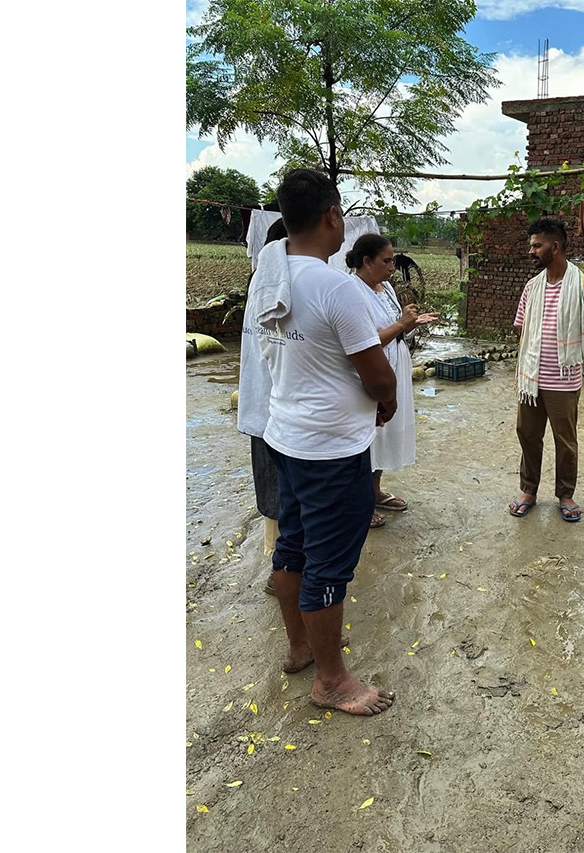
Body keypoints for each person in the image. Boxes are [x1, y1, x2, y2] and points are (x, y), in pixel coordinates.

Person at [253, 168, 399, 716]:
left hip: (285, 436)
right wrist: (384, 402)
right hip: (332, 450)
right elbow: (377, 373)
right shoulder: (335, 285)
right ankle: (332, 681)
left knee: (292, 543)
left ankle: (298, 649)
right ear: (333, 216)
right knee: (329, 562)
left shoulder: (271, 277)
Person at [507, 218, 584, 522]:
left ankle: (566, 494)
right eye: (531, 245)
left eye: (537, 245)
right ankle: (528, 490)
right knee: (527, 433)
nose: (531, 251)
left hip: (564, 381)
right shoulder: (531, 288)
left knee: (565, 440)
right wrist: (536, 351)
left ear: (555, 247)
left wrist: (570, 352)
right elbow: (521, 328)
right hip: (531, 379)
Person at [346, 233, 438, 529]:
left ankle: (374, 492)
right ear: (367, 261)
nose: (392, 268)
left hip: (395, 365)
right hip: (372, 371)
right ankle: (359, 504)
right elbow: (365, 342)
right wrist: (400, 324)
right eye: (386, 261)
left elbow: (394, 330)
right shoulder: (352, 292)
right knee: (369, 436)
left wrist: (408, 324)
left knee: (386, 435)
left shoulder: (384, 288)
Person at [237, 218, 289, 596]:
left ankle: (279, 564)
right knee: (281, 496)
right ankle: (280, 571)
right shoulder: (277, 289)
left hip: (263, 407)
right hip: (276, 410)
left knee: (275, 494)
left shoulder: (263, 284)